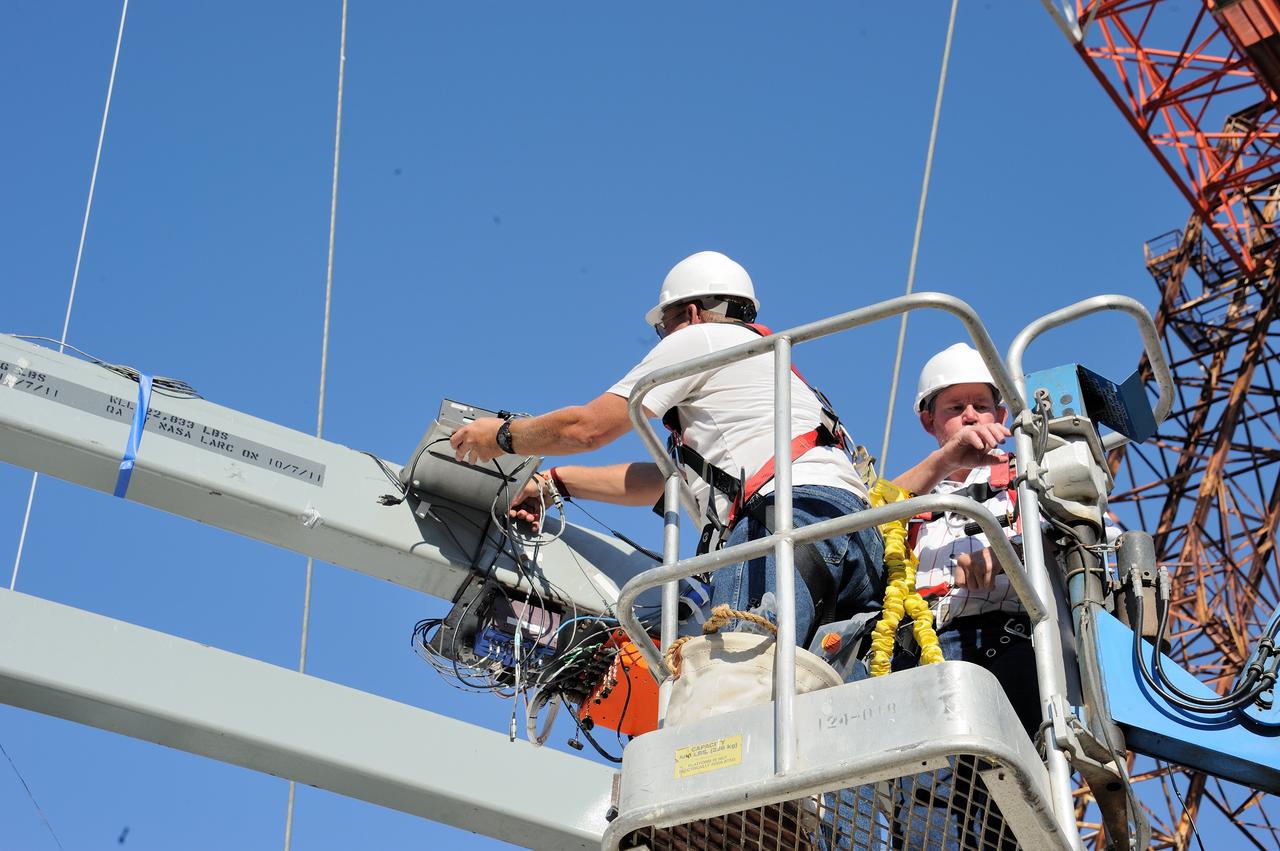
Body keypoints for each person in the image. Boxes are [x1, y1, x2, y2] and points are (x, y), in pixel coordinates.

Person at [449, 250, 883, 659]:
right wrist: (554, 484)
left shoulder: (702, 339)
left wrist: (501, 437)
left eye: (664, 327)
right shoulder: (765, 381)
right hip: (853, 534)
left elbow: (588, 428)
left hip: (784, 521)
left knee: (736, 686)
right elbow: (665, 480)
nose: (663, 339)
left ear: (691, 313)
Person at [891, 342, 1039, 734]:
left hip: (1006, 646)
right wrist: (948, 460)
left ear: (1002, 415)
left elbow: (1096, 542)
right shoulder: (910, 497)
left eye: (981, 405)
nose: (970, 415)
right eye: (955, 409)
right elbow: (860, 520)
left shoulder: (1031, 477)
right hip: (916, 654)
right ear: (930, 422)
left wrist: (1012, 554)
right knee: (920, 791)